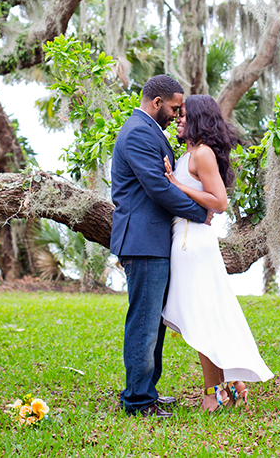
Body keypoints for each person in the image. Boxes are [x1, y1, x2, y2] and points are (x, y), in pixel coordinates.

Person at [161, 94, 274, 412]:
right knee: (202, 320)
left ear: (197, 117)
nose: (178, 119)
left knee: (202, 321)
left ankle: (213, 394)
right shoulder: (187, 155)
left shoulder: (204, 154)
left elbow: (220, 202)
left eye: (183, 114)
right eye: (177, 114)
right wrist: (173, 178)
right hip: (182, 242)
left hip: (195, 244)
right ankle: (231, 385)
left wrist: (176, 186)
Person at [110, 75, 209, 418]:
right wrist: (200, 212)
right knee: (144, 322)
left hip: (153, 241)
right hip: (143, 241)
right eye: (174, 107)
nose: (177, 113)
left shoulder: (148, 131)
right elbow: (157, 188)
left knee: (155, 322)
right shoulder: (138, 132)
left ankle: (146, 390)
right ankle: (138, 400)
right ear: (156, 103)